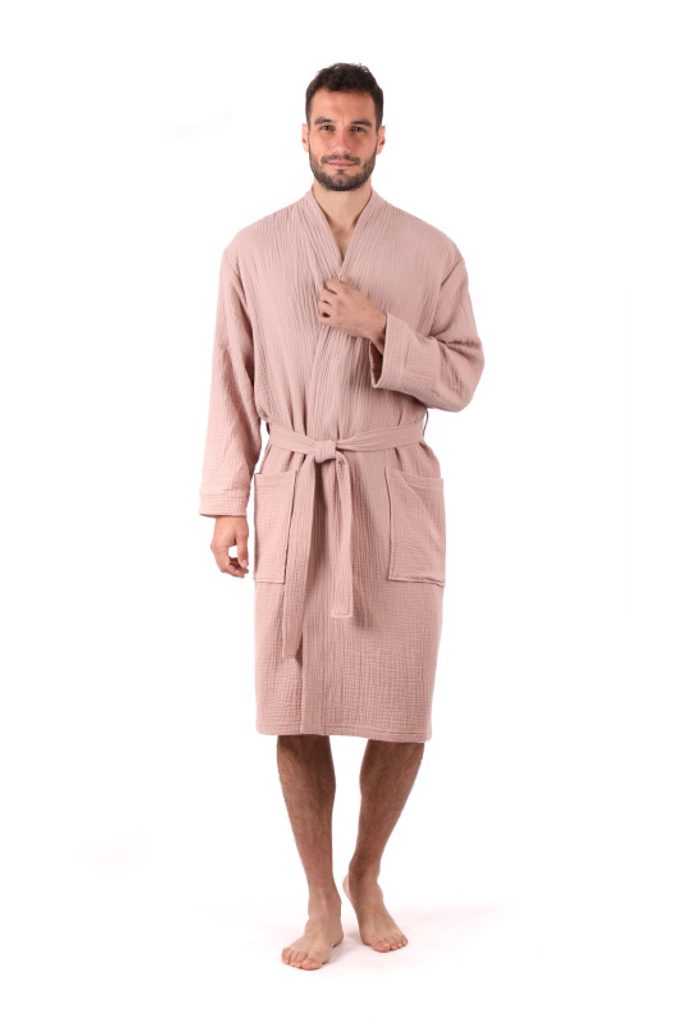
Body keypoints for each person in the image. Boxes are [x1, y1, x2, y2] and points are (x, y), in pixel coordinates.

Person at [198, 62, 485, 970]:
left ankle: (367, 872)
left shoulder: (431, 252)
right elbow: (231, 381)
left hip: (393, 489)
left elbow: (462, 377)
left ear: (382, 138)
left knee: (402, 709)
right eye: (327, 127)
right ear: (304, 135)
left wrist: (381, 329)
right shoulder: (252, 250)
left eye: (359, 128)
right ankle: (321, 896)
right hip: (296, 488)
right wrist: (226, 504)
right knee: (297, 704)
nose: (342, 143)